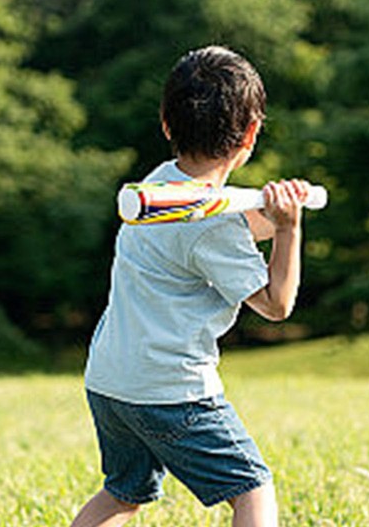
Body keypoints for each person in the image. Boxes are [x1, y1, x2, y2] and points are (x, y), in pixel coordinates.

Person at [71, 45, 314, 527]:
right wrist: (289, 230)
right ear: (251, 133)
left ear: (166, 122)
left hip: (110, 381)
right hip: (171, 389)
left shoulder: (157, 189)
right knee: (252, 489)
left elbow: (220, 231)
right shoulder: (212, 225)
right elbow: (276, 303)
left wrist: (280, 211)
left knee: (123, 493)